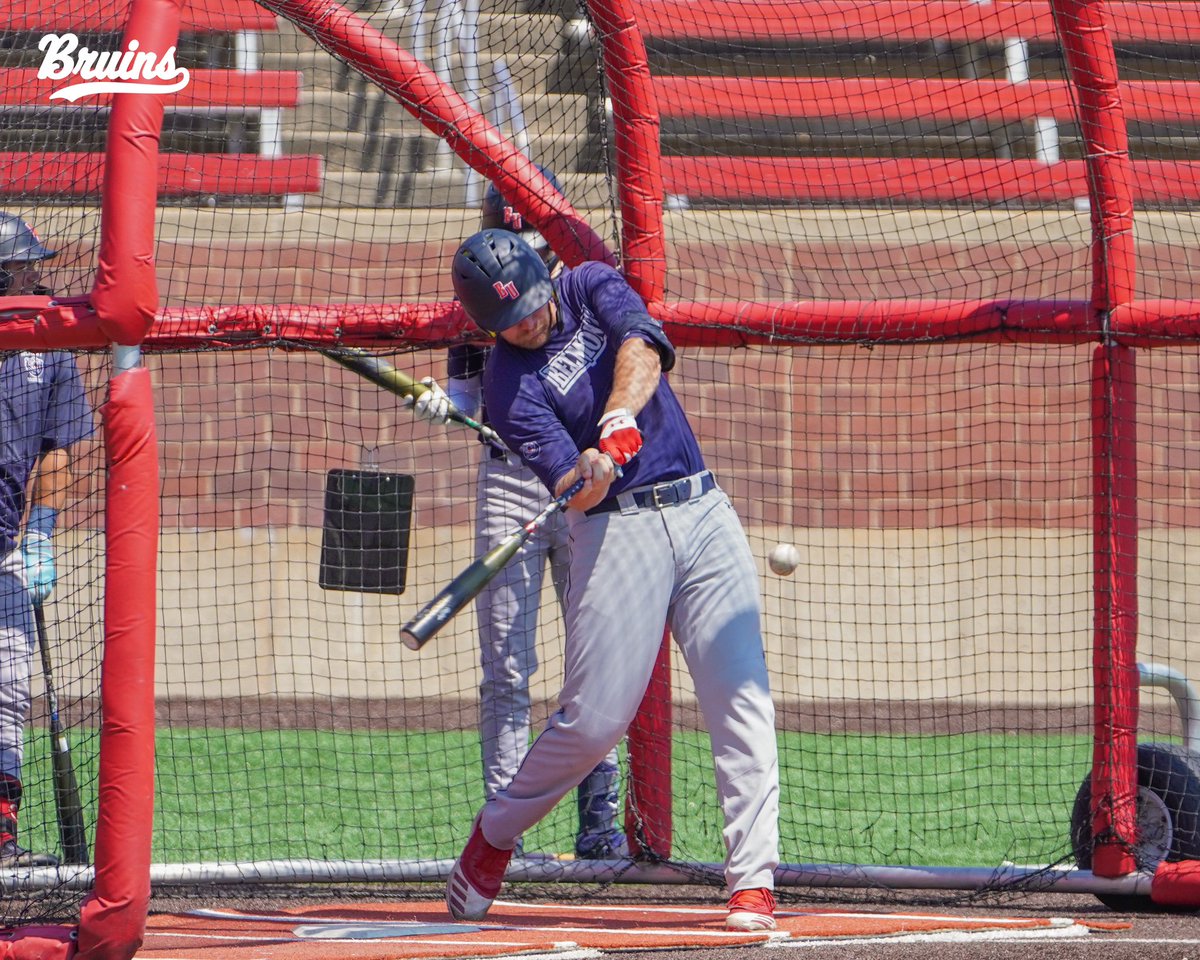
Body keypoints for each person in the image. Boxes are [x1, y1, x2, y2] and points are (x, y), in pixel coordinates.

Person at [444, 229, 780, 930]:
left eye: (532, 304)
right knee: (593, 725)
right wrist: (587, 473)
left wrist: (618, 415)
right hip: (615, 528)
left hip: (700, 504)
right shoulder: (510, 390)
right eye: (511, 321)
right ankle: (495, 834)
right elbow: (574, 488)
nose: (530, 323)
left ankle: (752, 880)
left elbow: (642, 346)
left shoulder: (589, 284)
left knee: (740, 693)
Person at [411, 172, 627, 860]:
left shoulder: (582, 296)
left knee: (594, 661)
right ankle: (507, 831)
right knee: (506, 666)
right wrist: (444, 406)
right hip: (510, 480)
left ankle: (600, 825)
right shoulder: (480, 306)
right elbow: (467, 400)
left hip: (587, 485)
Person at [0, 213, 94, 867]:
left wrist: (40, 536)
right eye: (22, 267)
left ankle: (0, 838)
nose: (37, 276)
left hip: (6, 547)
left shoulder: (50, 346)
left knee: (8, 688)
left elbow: (57, 453)